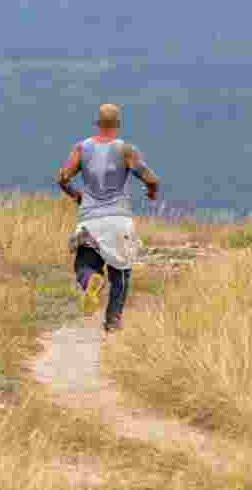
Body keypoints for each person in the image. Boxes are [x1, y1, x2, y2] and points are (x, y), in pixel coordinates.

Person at [56, 103, 160, 333]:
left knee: (84, 265)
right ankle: (113, 321)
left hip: (90, 220)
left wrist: (76, 195)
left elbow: (62, 178)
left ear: (98, 123)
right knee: (121, 272)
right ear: (118, 125)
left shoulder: (81, 149)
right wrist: (152, 192)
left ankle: (92, 280)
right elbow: (150, 178)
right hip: (118, 219)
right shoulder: (126, 150)